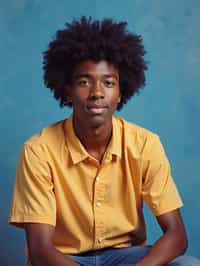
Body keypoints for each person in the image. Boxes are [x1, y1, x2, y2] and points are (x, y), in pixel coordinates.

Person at [9, 16, 200, 266]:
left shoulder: (145, 145)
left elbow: (177, 235)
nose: (97, 92)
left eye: (108, 83)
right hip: (63, 259)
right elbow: (40, 250)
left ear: (121, 91)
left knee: (188, 264)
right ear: (67, 90)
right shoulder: (38, 151)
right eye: (84, 82)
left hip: (127, 257)